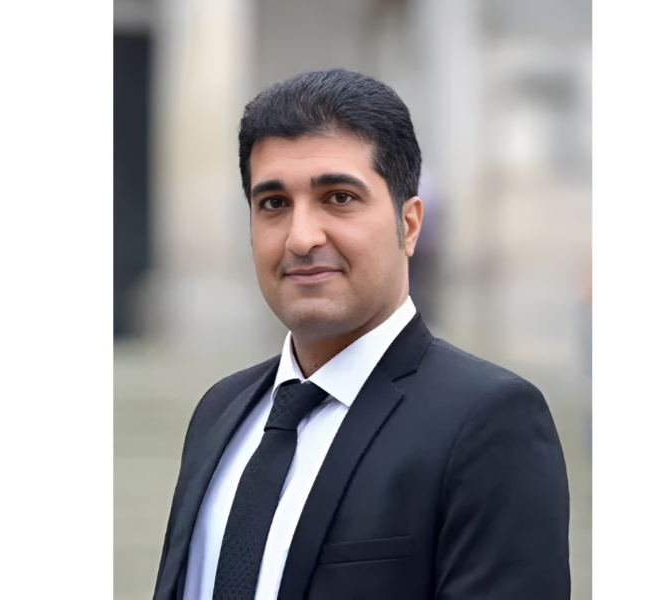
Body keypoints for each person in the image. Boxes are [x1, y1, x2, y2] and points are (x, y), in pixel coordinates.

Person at [153, 68, 570, 600]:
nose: (301, 238)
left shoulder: (487, 420)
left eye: (339, 197)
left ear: (409, 225)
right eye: (274, 204)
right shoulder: (221, 410)